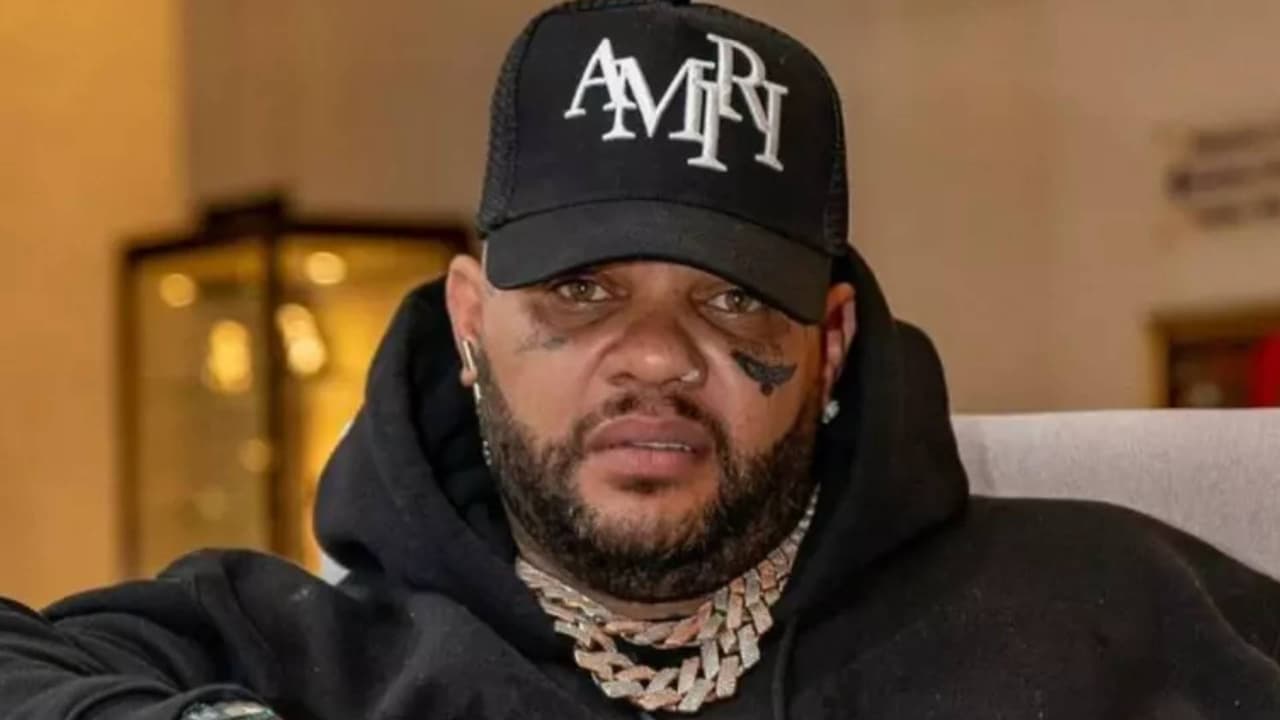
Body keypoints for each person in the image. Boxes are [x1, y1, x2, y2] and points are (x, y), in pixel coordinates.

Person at [3, 1, 1279, 718]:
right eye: (581, 292)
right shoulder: (313, 651)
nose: (656, 357)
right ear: (469, 325)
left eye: (733, 300)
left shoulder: (1102, 604)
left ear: (829, 343)